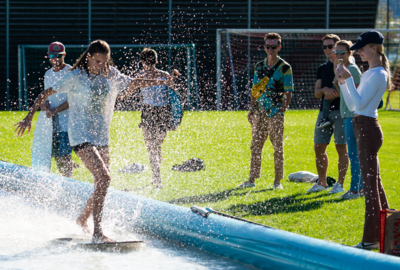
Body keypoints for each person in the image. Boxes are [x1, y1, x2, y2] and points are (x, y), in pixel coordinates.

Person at [14, 40, 178, 243]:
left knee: (102, 183)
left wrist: (163, 81)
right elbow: (46, 93)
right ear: (89, 57)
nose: (100, 66)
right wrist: (29, 116)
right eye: (97, 61)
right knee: (104, 177)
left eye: (104, 62)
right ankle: (98, 232)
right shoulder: (75, 76)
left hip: (101, 136)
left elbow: (134, 83)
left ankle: (82, 219)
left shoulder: (111, 74)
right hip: (80, 135)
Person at [336, 30, 390, 249]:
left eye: (362, 48)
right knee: (375, 185)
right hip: (362, 127)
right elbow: (351, 106)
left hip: (368, 130)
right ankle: (388, 234)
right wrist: (342, 82)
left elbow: (359, 104)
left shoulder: (378, 74)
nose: (358, 51)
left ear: (374, 48)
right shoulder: (370, 72)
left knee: (370, 188)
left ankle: (371, 240)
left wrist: (348, 79)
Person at [238, 33, 293, 190]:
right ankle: (252, 179)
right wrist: (251, 109)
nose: (270, 49)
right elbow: (255, 91)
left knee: (277, 147)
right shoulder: (259, 66)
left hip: (275, 112)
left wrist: (281, 110)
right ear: (264, 47)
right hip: (259, 111)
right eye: (268, 46)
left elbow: (288, 92)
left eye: (273, 47)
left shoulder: (285, 67)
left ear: (279, 47)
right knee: (255, 146)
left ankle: (277, 182)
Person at [131, 48, 179, 188]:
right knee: (157, 146)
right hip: (163, 112)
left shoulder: (140, 76)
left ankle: (156, 177)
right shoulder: (164, 75)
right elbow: (173, 94)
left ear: (142, 62)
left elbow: (130, 89)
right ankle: (156, 176)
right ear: (156, 61)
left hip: (148, 111)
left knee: (151, 147)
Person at [308, 34, 348, 193]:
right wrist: (325, 90)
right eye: (324, 47)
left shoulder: (346, 67)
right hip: (323, 113)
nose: (327, 50)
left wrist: (336, 93)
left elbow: (352, 90)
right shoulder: (321, 69)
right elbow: (317, 93)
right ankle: (322, 183)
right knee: (318, 147)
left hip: (341, 112)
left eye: (330, 46)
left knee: (341, 148)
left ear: (337, 47)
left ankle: (339, 184)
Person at [32, 41, 76, 178]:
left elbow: (73, 100)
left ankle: (69, 183)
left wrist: (55, 110)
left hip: (67, 123)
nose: (55, 59)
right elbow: (46, 95)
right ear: (48, 56)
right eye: (52, 55)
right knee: (57, 157)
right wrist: (44, 105)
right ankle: (64, 182)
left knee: (64, 156)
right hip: (52, 124)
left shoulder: (70, 72)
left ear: (64, 55)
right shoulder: (48, 74)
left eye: (58, 55)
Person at [332, 40, 364, 200]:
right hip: (347, 114)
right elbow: (343, 93)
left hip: (353, 116)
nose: (338, 55)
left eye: (342, 52)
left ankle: (354, 190)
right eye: (336, 52)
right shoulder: (343, 69)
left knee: (354, 154)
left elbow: (356, 95)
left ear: (349, 53)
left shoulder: (351, 69)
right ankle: (361, 188)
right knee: (355, 153)